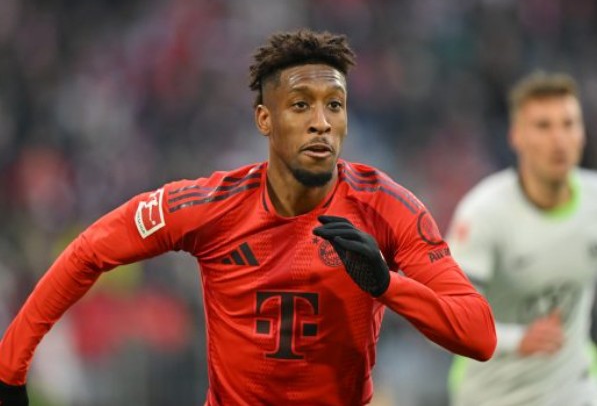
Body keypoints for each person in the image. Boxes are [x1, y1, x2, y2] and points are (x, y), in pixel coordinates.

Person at [0, 29, 496, 406]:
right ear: (265, 119)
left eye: (334, 105)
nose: (321, 122)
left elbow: (479, 335)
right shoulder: (209, 206)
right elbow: (89, 252)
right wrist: (9, 368)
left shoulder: (388, 207)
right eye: (300, 105)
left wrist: (386, 284)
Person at [447, 71, 597, 406]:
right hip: (494, 395)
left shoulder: (593, 202)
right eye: (543, 126)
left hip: (574, 389)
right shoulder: (484, 215)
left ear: (582, 133)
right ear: (516, 136)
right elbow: (446, 318)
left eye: (569, 124)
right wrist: (518, 340)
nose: (559, 139)